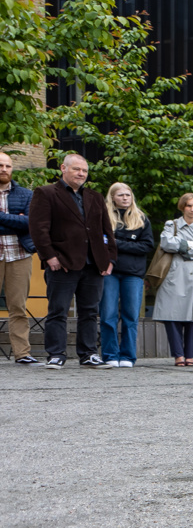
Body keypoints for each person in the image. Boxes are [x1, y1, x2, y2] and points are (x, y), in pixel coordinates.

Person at [27, 153, 114, 369]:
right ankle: (56, 354)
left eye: (84, 170)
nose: (81, 174)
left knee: (90, 311)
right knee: (58, 311)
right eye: (77, 169)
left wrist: (110, 258)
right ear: (63, 168)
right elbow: (38, 229)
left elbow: (106, 230)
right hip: (62, 263)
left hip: (93, 264)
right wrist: (49, 256)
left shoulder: (95, 197)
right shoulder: (46, 193)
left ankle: (89, 354)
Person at [150, 194, 193, 367]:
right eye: (188, 206)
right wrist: (192, 245)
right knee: (172, 315)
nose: (192, 209)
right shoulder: (172, 225)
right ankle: (178, 355)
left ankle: (190, 355)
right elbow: (166, 243)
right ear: (182, 207)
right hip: (175, 274)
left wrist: (179, 246)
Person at [98, 182, 154, 367]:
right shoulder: (103, 217)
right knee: (108, 315)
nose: (125, 198)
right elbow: (100, 243)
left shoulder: (141, 218)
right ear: (112, 197)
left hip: (133, 274)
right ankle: (110, 355)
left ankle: (128, 356)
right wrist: (129, 243)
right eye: (120, 195)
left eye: (128, 195)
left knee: (131, 316)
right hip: (109, 272)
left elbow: (146, 246)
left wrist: (116, 243)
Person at [0, 152, 39, 364]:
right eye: (0, 165)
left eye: (8, 166)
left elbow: (29, 223)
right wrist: (16, 220)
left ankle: (22, 353)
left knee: (18, 307)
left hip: (19, 254)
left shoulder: (26, 194)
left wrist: (3, 218)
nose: (4, 169)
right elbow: (20, 222)